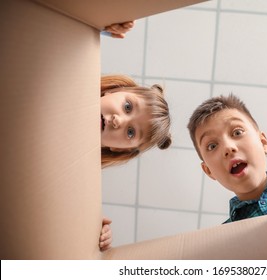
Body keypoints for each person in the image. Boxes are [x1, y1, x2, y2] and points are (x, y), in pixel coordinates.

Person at [98, 21, 172, 250]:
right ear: (115, 89)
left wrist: (93, 225)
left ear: (120, 149)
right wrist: (100, 26)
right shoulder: (63, 81)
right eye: (128, 107)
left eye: (130, 132)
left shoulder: (81, 177)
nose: (118, 120)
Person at [187, 94, 267, 223]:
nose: (228, 147)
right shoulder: (225, 236)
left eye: (237, 132)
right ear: (208, 171)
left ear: (263, 143)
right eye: (212, 146)